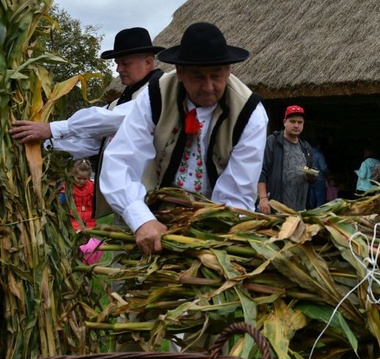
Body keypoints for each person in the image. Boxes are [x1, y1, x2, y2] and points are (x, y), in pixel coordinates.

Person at [99, 22, 268, 255]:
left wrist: (209, 242)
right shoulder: (155, 96)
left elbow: (236, 195)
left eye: (216, 76)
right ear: (179, 72)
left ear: (229, 70)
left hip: (213, 229)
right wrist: (141, 218)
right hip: (152, 219)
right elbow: (120, 161)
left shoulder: (250, 113)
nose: (208, 87)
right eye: (198, 77)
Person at [10, 27, 165, 218]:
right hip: (126, 202)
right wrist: (41, 143)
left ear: (148, 62)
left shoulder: (159, 90)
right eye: (117, 63)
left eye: (125, 63)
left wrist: (52, 128)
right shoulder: (118, 102)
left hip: (153, 201)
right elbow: (93, 144)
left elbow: (112, 120)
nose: (118, 70)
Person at [257, 105, 315, 214]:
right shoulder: (273, 142)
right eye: (292, 121)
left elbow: (313, 171)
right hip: (276, 207)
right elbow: (262, 170)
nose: (296, 125)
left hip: (300, 209)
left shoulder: (305, 147)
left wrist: (311, 175)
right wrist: (263, 198)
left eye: (300, 122)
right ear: (284, 122)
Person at [308, 140, 329, 208]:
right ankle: (319, 215)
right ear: (318, 146)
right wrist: (327, 172)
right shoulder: (319, 155)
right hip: (319, 179)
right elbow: (323, 168)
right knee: (320, 200)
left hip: (311, 179)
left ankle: (311, 213)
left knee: (312, 198)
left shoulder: (308, 155)